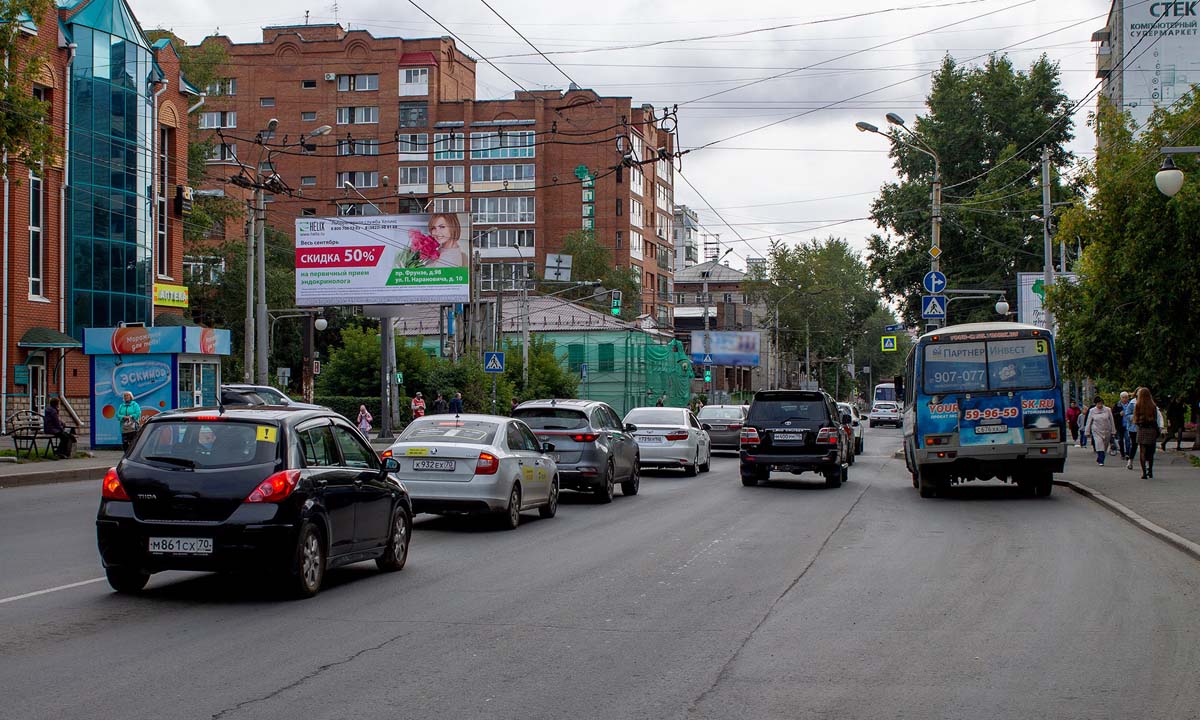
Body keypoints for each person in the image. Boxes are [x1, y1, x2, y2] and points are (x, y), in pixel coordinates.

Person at [1133, 387, 1164, 479]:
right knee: (1151, 451)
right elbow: (1155, 419)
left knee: (1142, 451)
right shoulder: (1153, 406)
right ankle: (1150, 470)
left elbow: (1135, 419)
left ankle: (1144, 473)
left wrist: (1139, 423)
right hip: (1151, 429)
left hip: (1142, 429)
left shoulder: (1138, 405)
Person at [1082, 396, 1114, 466]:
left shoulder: (1108, 410)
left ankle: (1100, 457)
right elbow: (1089, 421)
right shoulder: (1092, 411)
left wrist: (1113, 431)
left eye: (1101, 403)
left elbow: (1111, 420)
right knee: (1099, 445)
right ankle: (1101, 461)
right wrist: (1087, 432)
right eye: (1098, 404)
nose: (1100, 405)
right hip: (1096, 430)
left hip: (1106, 430)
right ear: (1095, 404)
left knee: (1105, 447)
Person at [1113, 391, 1130, 459]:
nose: (1125, 399)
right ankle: (1122, 453)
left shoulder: (1130, 405)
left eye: (1126, 397)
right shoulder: (1117, 405)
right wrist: (1119, 414)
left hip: (1127, 425)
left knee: (1127, 439)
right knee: (1120, 440)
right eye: (1123, 398)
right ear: (1120, 398)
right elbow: (1113, 414)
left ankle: (1128, 453)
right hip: (1120, 425)